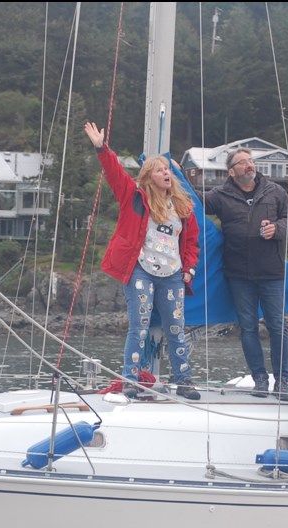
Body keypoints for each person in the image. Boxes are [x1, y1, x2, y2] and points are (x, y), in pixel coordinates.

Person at [84, 121, 201, 400]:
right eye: (160, 170)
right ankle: (131, 380)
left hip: (173, 273)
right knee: (139, 326)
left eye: (168, 170)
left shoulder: (183, 207)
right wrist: (102, 148)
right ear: (148, 176)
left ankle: (183, 379)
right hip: (141, 271)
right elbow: (114, 174)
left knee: (176, 328)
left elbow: (192, 241)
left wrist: (190, 268)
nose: (166, 173)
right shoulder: (134, 197)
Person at [204, 147, 288, 400]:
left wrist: (277, 229)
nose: (249, 165)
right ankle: (259, 379)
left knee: (278, 327)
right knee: (248, 328)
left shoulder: (275, 191)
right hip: (238, 274)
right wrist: (176, 177)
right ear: (232, 172)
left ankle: (282, 382)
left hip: (272, 272)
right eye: (242, 162)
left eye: (250, 161)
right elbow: (192, 204)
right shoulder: (219, 195)